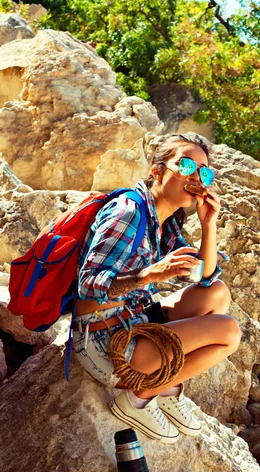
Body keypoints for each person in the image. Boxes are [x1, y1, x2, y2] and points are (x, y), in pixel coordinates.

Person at [73, 134, 241, 443]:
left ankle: (163, 388)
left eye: (204, 172)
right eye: (186, 164)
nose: (196, 177)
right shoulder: (129, 212)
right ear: (158, 170)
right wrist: (147, 276)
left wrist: (208, 224)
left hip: (133, 322)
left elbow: (203, 277)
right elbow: (86, 287)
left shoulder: (165, 220)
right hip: (103, 343)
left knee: (217, 293)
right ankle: (138, 397)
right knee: (228, 332)